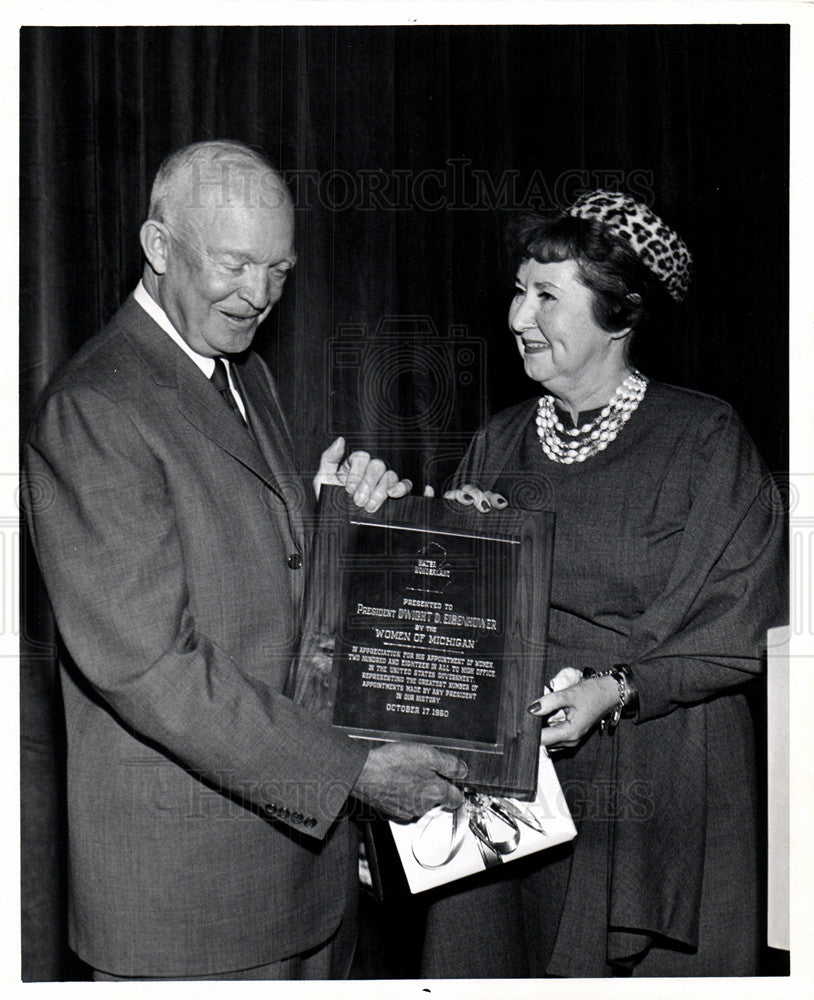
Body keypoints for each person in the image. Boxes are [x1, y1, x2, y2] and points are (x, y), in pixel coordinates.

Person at [24, 140, 466, 981]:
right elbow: (153, 666)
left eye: (279, 270)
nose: (259, 296)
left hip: (301, 886)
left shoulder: (241, 373)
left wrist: (338, 517)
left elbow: (266, 575)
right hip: (188, 906)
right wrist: (354, 773)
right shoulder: (95, 407)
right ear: (159, 249)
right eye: (235, 265)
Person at [420, 190, 787, 977]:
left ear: (619, 315)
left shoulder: (704, 437)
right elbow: (445, 630)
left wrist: (615, 687)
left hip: (657, 775)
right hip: (517, 778)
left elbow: (746, 624)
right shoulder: (501, 439)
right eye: (519, 290)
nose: (519, 317)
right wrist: (442, 538)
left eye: (547, 295)